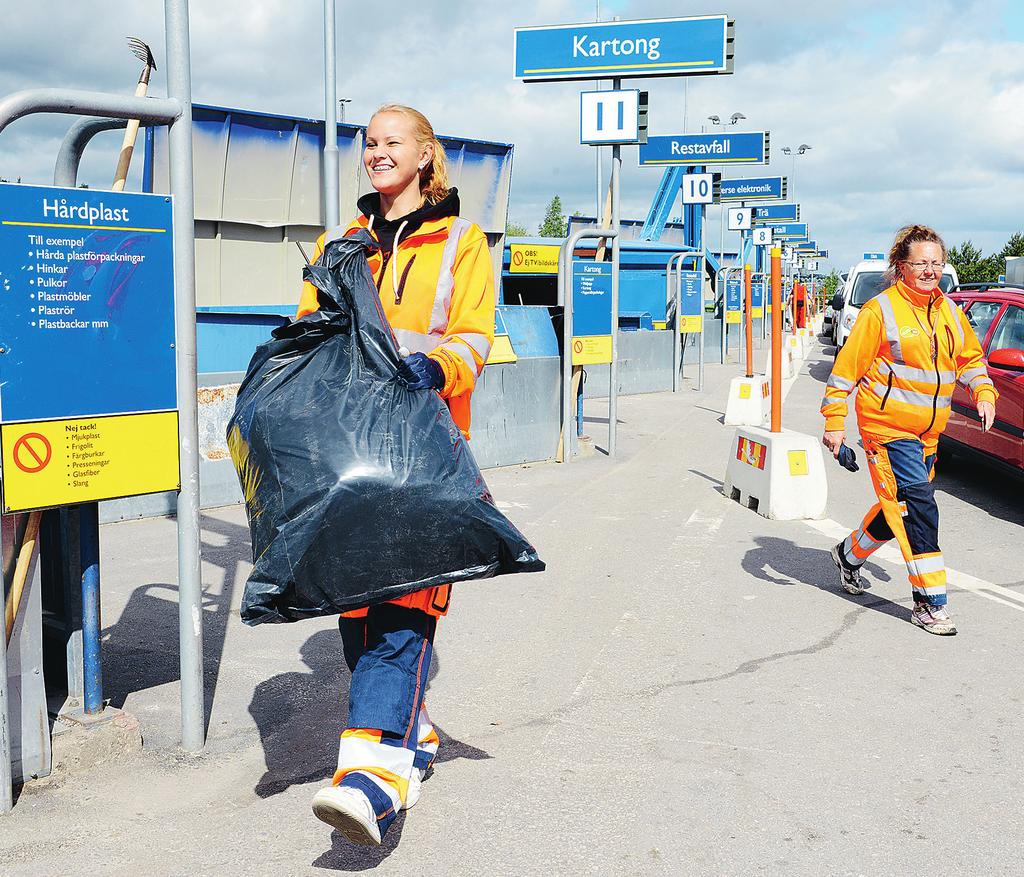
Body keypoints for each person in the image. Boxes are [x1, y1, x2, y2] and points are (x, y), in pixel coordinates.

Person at [297, 104, 495, 845]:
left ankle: (372, 785)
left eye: (391, 141)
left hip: (426, 451)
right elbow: (307, 330)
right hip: (349, 455)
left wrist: (434, 366)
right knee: (357, 617)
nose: (376, 151)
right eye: (368, 142)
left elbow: (475, 334)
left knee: (403, 614)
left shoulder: (461, 241)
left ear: (425, 155)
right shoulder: (339, 242)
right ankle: (412, 735)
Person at [820, 224, 997, 635]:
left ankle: (848, 556)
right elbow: (845, 372)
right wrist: (834, 422)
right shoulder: (878, 311)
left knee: (897, 507)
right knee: (919, 507)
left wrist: (984, 391)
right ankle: (930, 603)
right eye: (921, 263)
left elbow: (970, 359)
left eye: (936, 263)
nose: (929, 270)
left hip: (928, 435)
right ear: (901, 266)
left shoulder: (951, 312)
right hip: (887, 430)